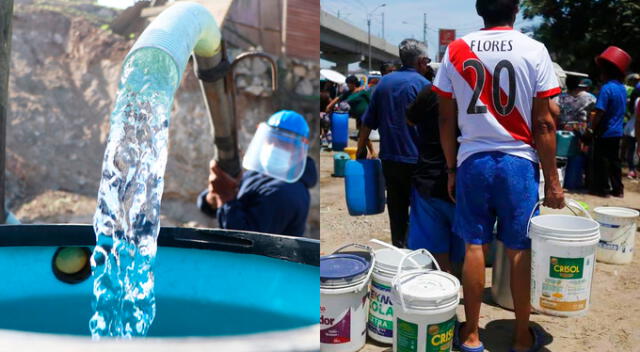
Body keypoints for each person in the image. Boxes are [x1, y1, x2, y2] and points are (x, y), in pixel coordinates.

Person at [433, 1, 564, 351]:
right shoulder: (534, 50)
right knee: (519, 248)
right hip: (518, 163)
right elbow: (545, 122)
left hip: (472, 160)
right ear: (516, 10)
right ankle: (522, 337)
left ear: (480, 10)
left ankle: (472, 335)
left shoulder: (457, 49)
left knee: (474, 246)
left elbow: (445, 118)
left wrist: (450, 168)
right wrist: (552, 180)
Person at [357, 39, 431, 248]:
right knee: (421, 211)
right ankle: (418, 254)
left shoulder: (384, 84)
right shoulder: (424, 86)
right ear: (422, 61)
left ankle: (398, 249)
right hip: (419, 161)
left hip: (390, 159)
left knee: (397, 210)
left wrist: (361, 150)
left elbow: (366, 123)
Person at [197, 110, 318, 236]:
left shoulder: (287, 193)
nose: (273, 146)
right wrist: (213, 196)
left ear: (299, 151)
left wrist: (225, 197)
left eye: (284, 143)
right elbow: (209, 207)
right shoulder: (259, 173)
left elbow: (245, 240)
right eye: (270, 139)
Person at [405, 77, 465, 274]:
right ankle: (460, 280)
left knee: (434, 242)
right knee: (469, 241)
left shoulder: (430, 91)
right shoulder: (476, 90)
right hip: (467, 175)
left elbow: (410, 119)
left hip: (429, 176)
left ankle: (444, 282)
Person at [589, 46, 631, 198]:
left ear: (606, 72)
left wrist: (591, 128)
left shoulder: (606, 89)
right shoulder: (622, 88)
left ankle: (602, 189)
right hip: (617, 131)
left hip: (605, 131)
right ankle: (618, 189)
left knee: (602, 160)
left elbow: (599, 111)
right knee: (615, 162)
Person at [624, 97, 638, 179]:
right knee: (632, 150)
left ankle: (632, 170)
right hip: (634, 127)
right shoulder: (637, 100)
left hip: (631, 127)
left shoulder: (633, 100)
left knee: (631, 150)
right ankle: (632, 170)